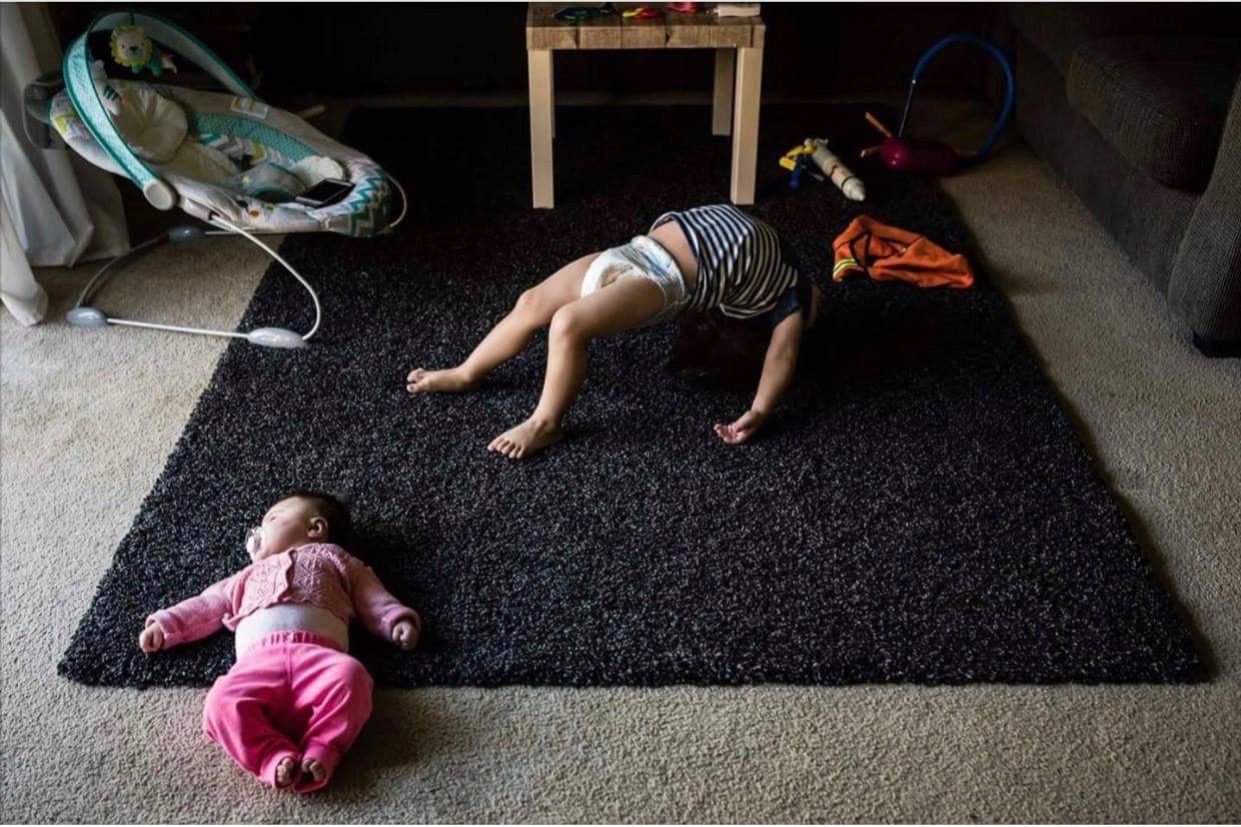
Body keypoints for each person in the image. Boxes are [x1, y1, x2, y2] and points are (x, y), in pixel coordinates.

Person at [406, 204, 821, 459]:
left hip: (666, 281)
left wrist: (760, 410)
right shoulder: (784, 269)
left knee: (568, 324)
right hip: (634, 251)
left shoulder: (790, 299)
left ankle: (546, 423)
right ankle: (467, 372)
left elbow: (781, 355)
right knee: (531, 302)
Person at [139, 491, 420, 792]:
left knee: (353, 677)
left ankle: (323, 746)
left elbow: (371, 596)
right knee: (220, 702)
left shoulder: (336, 559)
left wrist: (395, 620)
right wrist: (167, 623)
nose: (259, 531)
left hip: (319, 659)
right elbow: (208, 605)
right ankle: (271, 756)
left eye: (271, 519)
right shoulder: (245, 575)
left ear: (315, 529)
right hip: (257, 664)